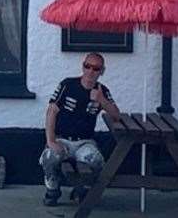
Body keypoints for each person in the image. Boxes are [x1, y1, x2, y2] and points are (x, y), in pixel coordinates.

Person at [40, 53, 122, 206]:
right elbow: (51, 111)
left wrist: (101, 100)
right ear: (82, 66)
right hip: (62, 138)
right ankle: (52, 189)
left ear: (102, 71)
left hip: (84, 142)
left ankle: (81, 188)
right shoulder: (68, 85)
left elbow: (117, 115)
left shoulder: (102, 90)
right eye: (87, 66)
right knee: (50, 157)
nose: (90, 71)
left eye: (96, 68)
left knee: (97, 162)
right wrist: (50, 140)